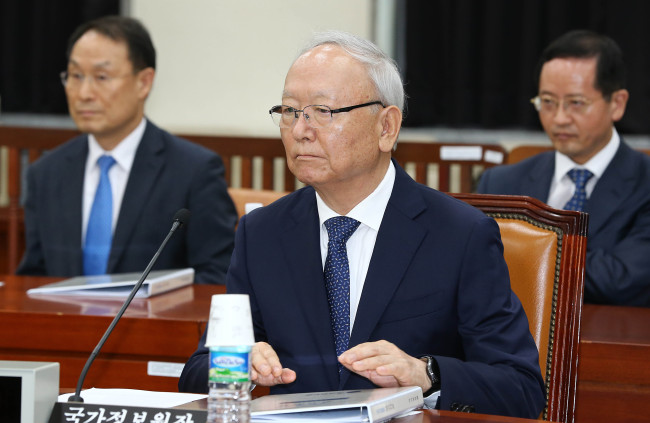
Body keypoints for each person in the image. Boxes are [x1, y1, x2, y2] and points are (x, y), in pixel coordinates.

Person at [179, 31, 545, 418]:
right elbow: (198, 370)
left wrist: (426, 375)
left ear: (386, 127)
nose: (301, 130)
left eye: (323, 111)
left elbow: (521, 390)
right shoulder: (262, 233)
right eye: (289, 111)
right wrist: (239, 365)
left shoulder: (460, 235)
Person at [16, 16, 237, 285]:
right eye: (75, 76)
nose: (84, 92)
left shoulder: (194, 171)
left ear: (144, 83)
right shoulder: (46, 174)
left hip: (155, 325)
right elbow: (33, 278)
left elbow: (217, 276)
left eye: (101, 77)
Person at [478, 30, 650, 307]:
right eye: (547, 102)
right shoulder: (499, 183)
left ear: (617, 104)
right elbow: (477, 272)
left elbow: (622, 279)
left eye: (576, 103)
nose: (559, 118)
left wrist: (526, 251)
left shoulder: (644, 182)